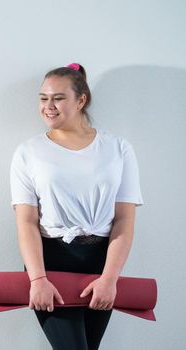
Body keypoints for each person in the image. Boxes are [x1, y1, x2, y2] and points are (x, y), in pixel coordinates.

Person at [9, 63, 144, 350]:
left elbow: (124, 222)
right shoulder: (28, 152)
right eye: (43, 98)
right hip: (51, 260)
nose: (48, 106)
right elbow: (26, 222)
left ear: (81, 100)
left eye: (58, 98)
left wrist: (109, 278)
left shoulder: (118, 149)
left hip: (101, 261)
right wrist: (38, 278)